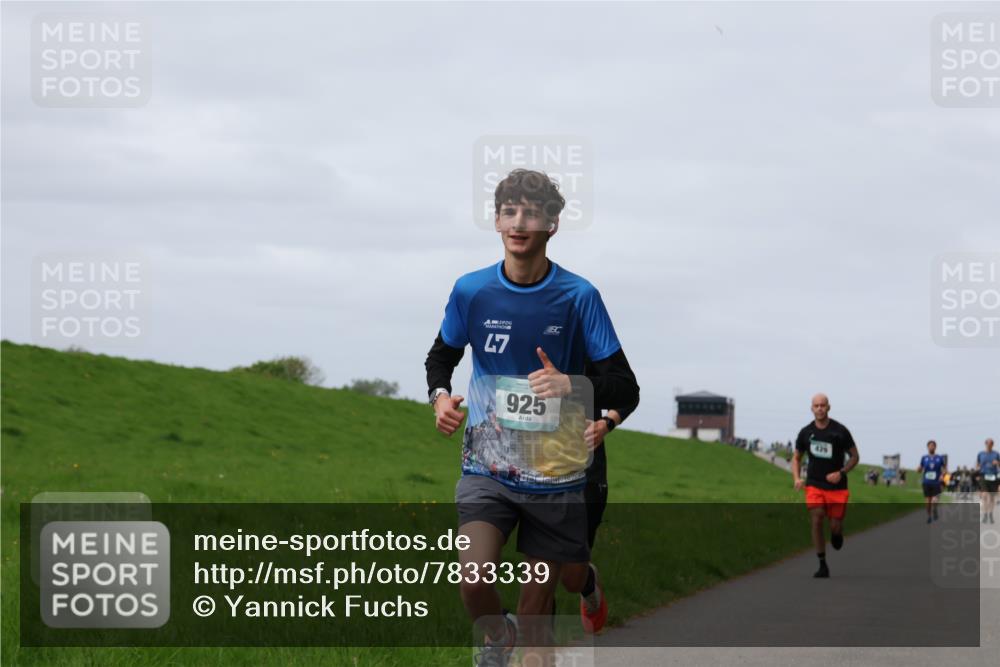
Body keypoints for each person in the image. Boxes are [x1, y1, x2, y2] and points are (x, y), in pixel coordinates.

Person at [424, 169, 639, 665]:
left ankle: (583, 584)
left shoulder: (578, 296)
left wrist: (571, 384)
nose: (519, 222)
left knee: (557, 588)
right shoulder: (471, 290)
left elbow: (626, 386)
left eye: (533, 212)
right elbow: (442, 355)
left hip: (557, 479)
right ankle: (499, 637)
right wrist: (440, 396)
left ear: (553, 224)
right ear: (497, 221)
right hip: (488, 472)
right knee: (473, 580)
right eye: (509, 211)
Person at [792, 393, 859, 578]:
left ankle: (837, 534)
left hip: (837, 488)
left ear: (828, 407)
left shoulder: (840, 431)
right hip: (814, 484)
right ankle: (822, 564)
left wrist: (841, 473)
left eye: (823, 405)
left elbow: (855, 457)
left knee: (835, 527)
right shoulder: (805, 432)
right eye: (816, 405)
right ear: (811, 409)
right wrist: (797, 478)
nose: (820, 408)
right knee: (817, 518)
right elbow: (796, 457)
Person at [917, 440, 947, 523]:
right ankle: (929, 516)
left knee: (935, 499)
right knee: (928, 500)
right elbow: (920, 468)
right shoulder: (924, 458)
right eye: (930, 446)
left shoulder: (939, 458)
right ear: (927, 447)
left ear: (935, 447)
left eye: (933, 446)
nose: (931, 447)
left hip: (936, 482)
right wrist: (918, 469)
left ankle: (935, 509)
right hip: (926, 482)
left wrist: (942, 475)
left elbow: (944, 469)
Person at [976, 438, 999, 524]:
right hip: (984, 476)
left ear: (993, 445)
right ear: (985, 444)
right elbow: (977, 464)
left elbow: (999, 465)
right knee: (985, 495)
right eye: (988, 443)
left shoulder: (996, 454)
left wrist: (997, 463)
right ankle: (985, 514)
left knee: (992, 498)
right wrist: (978, 468)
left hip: (993, 476)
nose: (989, 445)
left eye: (991, 443)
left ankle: (990, 514)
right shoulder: (980, 454)